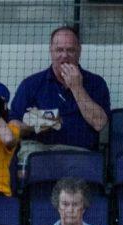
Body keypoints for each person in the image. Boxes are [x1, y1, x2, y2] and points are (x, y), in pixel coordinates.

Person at [9, 26, 110, 171]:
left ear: (79, 51)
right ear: (51, 50)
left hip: (79, 155)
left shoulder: (96, 83)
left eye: (70, 50)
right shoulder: (31, 84)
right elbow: (13, 125)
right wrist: (40, 122)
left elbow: (99, 123)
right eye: (59, 50)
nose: (65, 55)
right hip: (40, 152)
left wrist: (77, 87)